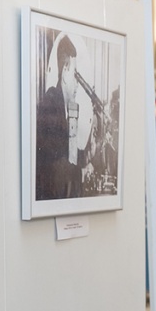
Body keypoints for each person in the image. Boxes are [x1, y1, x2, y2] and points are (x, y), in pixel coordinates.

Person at [36, 34, 93, 200]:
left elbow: (74, 154)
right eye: (75, 77)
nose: (77, 85)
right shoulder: (51, 100)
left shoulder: (72, 106)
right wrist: (79, 171)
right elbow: (54, 164)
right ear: (64, 69)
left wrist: (85, 163)